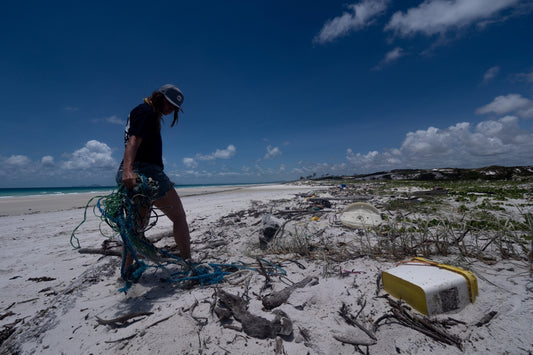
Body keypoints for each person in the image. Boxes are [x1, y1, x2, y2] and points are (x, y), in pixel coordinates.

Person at [116, 84, 191, 276]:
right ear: (159, 97)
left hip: (140, 172)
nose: (171, 109)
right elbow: (133, 140)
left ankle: (126, 273)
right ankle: (188, 263)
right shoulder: (146, 112)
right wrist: (127, 171)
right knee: (179, 217)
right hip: (145, 173)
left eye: (175, 108)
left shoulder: (142, 112)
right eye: (170, 104)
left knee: (135, 229)